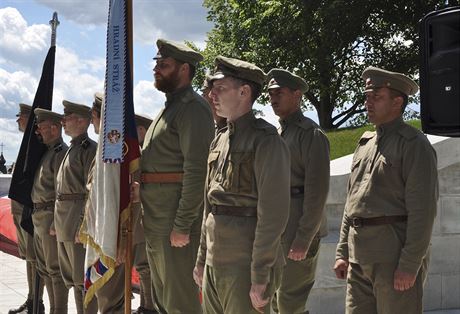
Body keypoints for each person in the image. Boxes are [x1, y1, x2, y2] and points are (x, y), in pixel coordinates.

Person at [333, 66, 438, 314]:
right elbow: (352, 203)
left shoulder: (414, 145)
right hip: (359, 258)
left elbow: (423, 211)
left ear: (397, 101)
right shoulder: (365, 144)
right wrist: (342, 251)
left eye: (376, 97)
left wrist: (410, 264)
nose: (368, 102)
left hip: (393, 257)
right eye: (367, 96)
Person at [193, 56, 290, 314]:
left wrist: (260, 274)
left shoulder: (266, 141)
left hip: (244, 264)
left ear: (244, 91)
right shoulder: (220, 140)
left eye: (220, 88)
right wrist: (202, 259)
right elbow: (209, 208)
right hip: (216, 261)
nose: (211, 94)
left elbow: (273, 214)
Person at [139, 38, 214, 313]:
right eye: (156, 64)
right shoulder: (169, 108)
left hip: (174, 222)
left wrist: (182, 224)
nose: (157, 69)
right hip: (158, 219)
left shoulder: (192, 108)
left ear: (184, 69)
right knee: (164, 300)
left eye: (164, 64)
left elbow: (197, 170)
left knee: (180, 302)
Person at [267, 69, 330, 314]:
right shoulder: (278, 132)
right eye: (270, 94)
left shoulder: (311, 135)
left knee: (290, 301)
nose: (273, 99)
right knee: (272, 296)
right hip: (277, 228)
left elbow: (317, 191)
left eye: (279, 93)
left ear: (297, 95)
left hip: (297, 228)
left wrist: (304, 237)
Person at [55, 100, 97, 314]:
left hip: (76, 223)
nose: (63, 121)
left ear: (82, 121)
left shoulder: (88, 149)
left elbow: (90, 191)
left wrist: (83, 224)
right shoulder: (72, 149)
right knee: (71, 278)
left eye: (68, 117)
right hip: (65, 221)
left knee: (83, 280)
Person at [9, 103, 46, 314]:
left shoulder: (34, 149)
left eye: (21, 116)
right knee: (28, 258)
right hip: (19, 211)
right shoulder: (25, 147)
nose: (17, 120)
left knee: (35, 258)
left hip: (29, 212)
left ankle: (36, 302)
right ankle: (31, 299)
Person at [31, 108, 69, 314]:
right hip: (39, 216)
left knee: (55, 269)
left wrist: (56, 220)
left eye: (42, 127)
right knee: (44, 268)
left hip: (49, 217)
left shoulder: (59, 153)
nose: (39, 131)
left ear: (54, 128)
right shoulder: (47, 152)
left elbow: (60, 190)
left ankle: (59, 309)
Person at [132, 113, 158, 314]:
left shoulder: (148, 155)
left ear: (141, 130)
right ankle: (145, 305)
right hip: (138, 218)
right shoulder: (140, 154)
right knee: (143, 266)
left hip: (146, 217)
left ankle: (148, 307)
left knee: (145, 266)